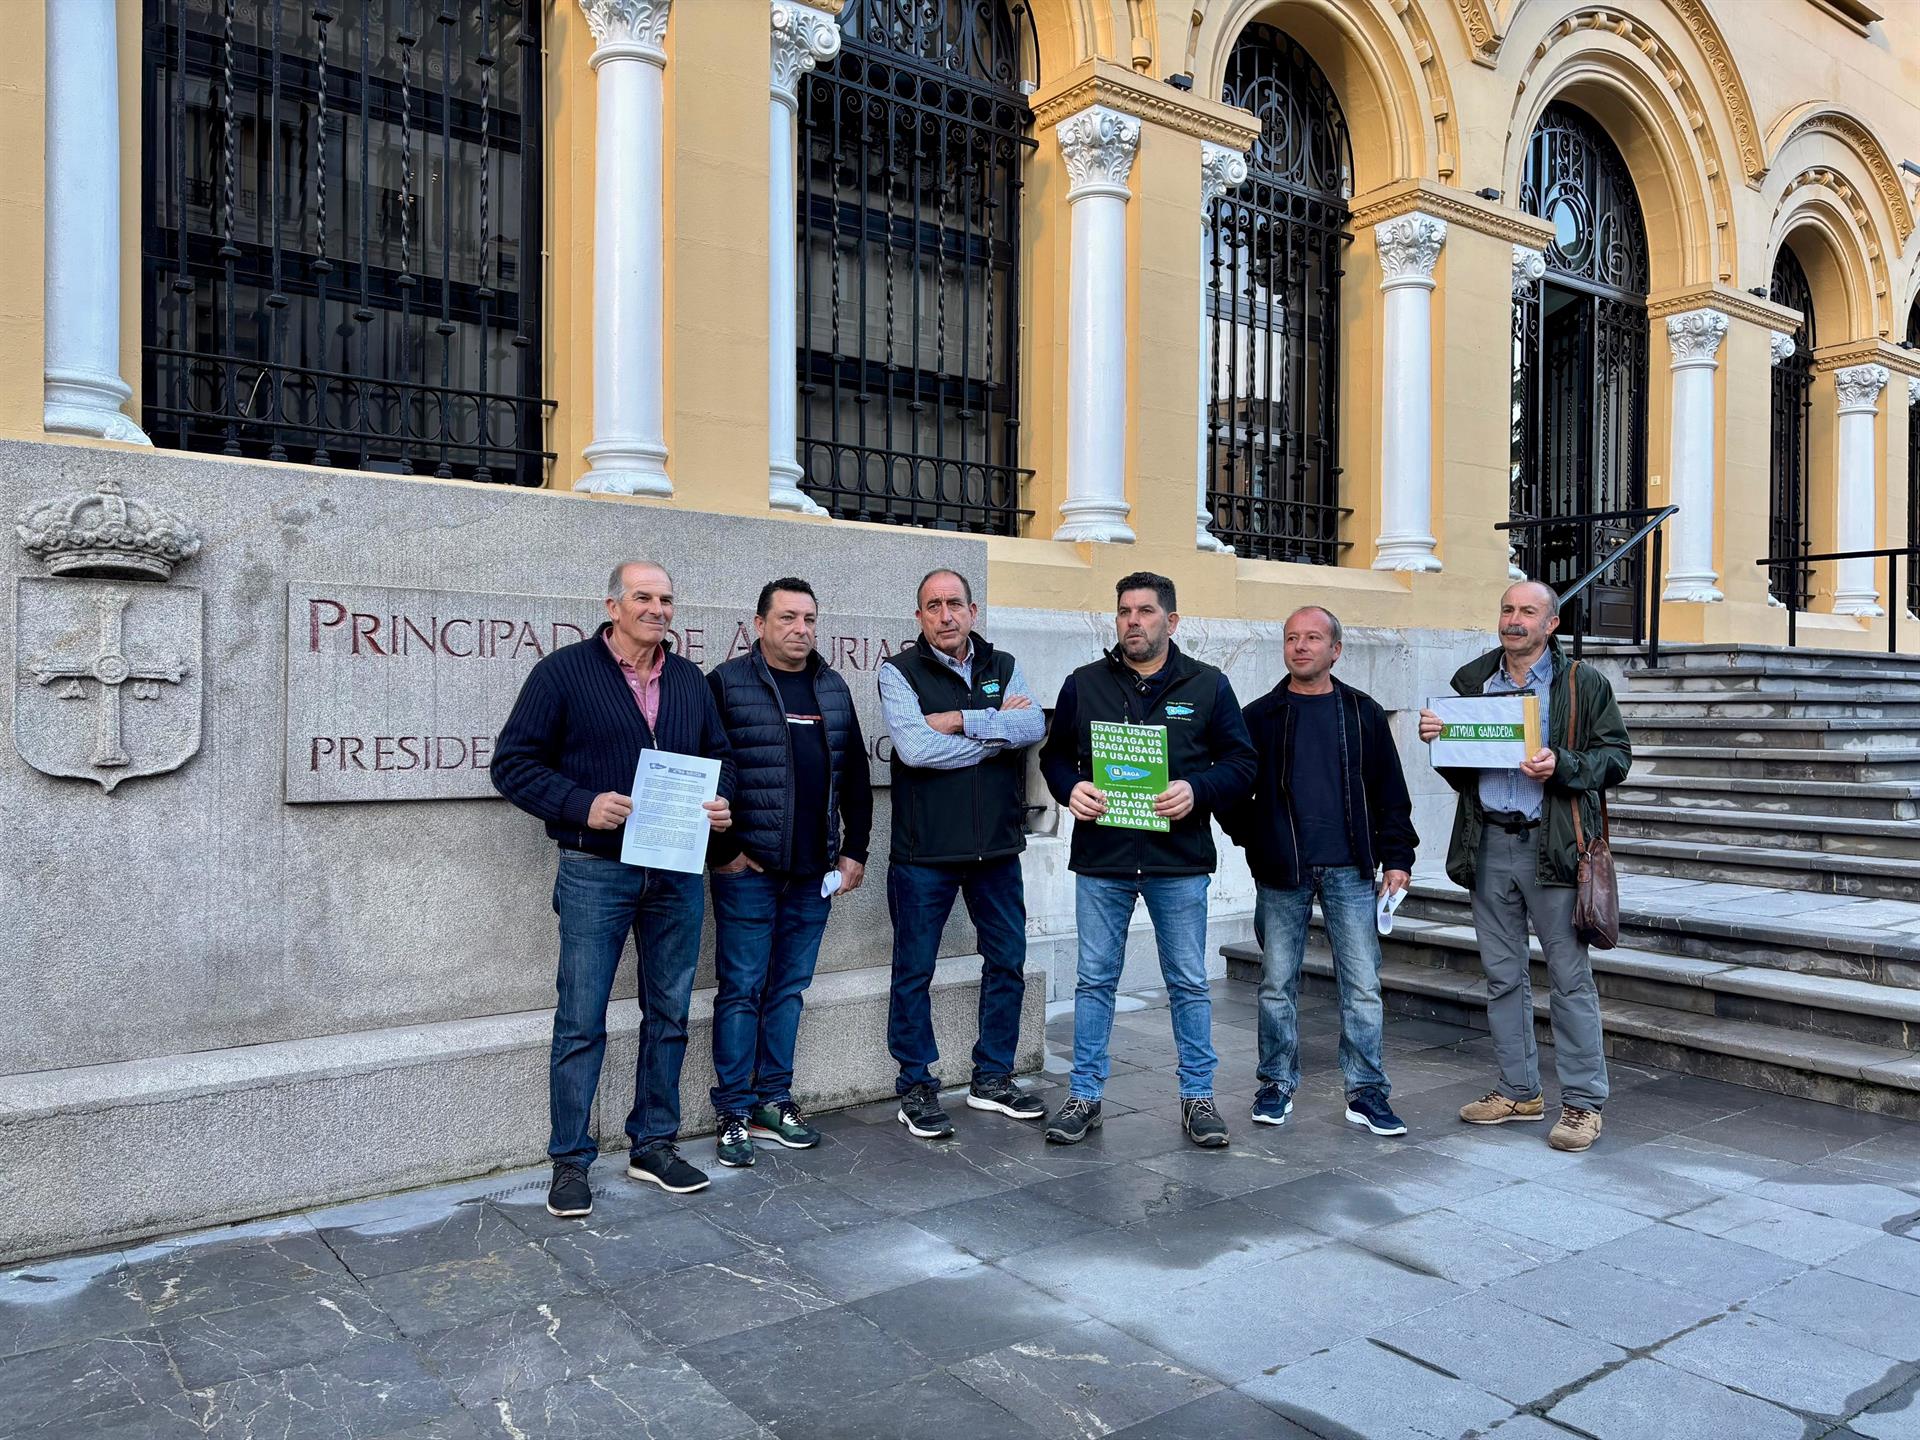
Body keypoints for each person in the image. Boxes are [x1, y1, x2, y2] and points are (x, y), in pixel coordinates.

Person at [491, 560, 735, 1217]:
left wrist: (723, 802)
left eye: (666, 598)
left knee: (670, 1011)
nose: (657, 609)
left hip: (676, 868)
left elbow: (721, 758)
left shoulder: (688, 679)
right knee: (581, 1017)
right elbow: (512, 764)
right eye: (643, 597)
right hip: (596, 868)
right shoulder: (563, 673)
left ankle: (653, 1144)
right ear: (613, 606)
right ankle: (571, 1161)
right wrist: (581, 804)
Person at [1039, 572, 1257, 1148]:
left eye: (1145, 611)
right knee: (1094, 982)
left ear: (1172, 621)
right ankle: (1084, 1095)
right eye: (1124, 611)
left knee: (1188, 982)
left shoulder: (1207, 685)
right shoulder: (1084, 684)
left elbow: (1242, 764)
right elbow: (1054, 757)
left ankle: (1198, 1097)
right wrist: (1070, 789)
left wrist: (1197, 790)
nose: (1133, 621)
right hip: (1103, 859)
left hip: (1177, 860)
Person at [1418, 580, 1630, 1153]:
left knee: (1569, 978)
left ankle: (1583, 1102)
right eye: (1508, 609)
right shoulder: (1473, 682)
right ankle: (1518, 1090)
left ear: (1551, 624)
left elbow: (1616, 759)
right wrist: (1440, 741)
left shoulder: (1582, 684)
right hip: (1488, 842)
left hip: (1553, 845)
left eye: (1528, 612)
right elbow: (1464, 771)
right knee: (1502, 975)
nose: (1515, 620)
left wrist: (1563, 764)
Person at [1219, 606, 1418, 1138]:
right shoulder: (1259, 716)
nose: (1300, 646)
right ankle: (1275, 1083)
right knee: (1275, 984)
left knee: (1362, 985)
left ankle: (1366, 1091)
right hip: (1282, 871)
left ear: (1336, 650)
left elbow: (1390, 793)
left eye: (1312, 638)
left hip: (1351, 869)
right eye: (1292, 638)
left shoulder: (1362, 712)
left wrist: (1398, 857)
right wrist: (1256, 838)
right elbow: (1230, 791)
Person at [705, 578, 873, 1169]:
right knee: (741, 990)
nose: (801, 629)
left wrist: (855, 850)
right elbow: (705, 770)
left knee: (788, 990)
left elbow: (855, 776)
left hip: (812, 873)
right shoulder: (726, 683)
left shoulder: (831, 687)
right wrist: (725, 852)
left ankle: (773, 1100)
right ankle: (732, 1109)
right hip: (748, 872)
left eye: (809, 619)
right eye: (787, 618)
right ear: (759, 624)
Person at [877, 568, 1048, 1139]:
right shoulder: (898, 672)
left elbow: (1032, 724)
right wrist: (997, 734)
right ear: (919, 616)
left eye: (955, 604)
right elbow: (916, 749)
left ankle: (992, 1077)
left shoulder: (1003, 664)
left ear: (973, 612)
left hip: (996, 849)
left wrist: (960, 721)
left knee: (1007, 961)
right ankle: (916, 1085)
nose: (945, 615)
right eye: (933, 605)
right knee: (913, 970)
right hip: (923, 854)